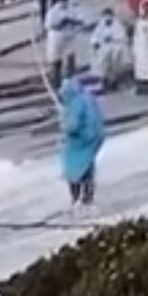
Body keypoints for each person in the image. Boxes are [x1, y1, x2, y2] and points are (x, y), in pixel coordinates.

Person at [59, 76, 105, 207]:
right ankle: (88, 198)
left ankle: (76, 199)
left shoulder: (75, 104)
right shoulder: (88, 98)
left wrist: (64, 125)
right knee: (88, 170)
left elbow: (73, 126)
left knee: (73, 171)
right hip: (93, 140)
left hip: (79, 143)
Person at [45, 0, 84, 89]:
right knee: (56, 61)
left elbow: (80, 21)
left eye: (65, 2)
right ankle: (56, 83)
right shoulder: (53, 12)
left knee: (70, 59)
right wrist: (61, 23)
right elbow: (49, 26)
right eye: (62, 2)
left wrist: (72, 22)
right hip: (57, 39)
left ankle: (71, 81)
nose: (64, 4)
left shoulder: (71, 9)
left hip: (69, 38)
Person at [90, 8, 130, 92]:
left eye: (109, 16)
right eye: (105, 16)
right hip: (104, 48)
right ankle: (104, 81)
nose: (107, 19)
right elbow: (95, 36)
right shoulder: (101, 25)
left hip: (115, 47)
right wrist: (95, 43)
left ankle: (113, 82)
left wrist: (113, 38)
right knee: (102, 63)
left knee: (114, 62)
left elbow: (123, 37)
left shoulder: (117, 25)